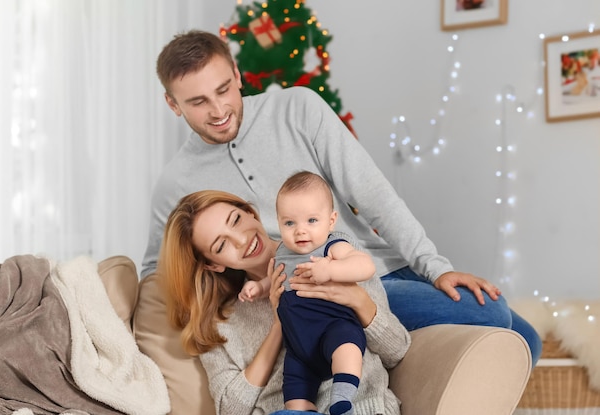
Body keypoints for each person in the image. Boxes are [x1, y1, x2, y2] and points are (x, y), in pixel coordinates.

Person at [142, 29, 542, 365]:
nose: (217, 110)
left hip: (380, 264)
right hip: (324, 290)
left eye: (223, 90)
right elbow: (155, 275)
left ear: (236, 73)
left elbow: (372, 193)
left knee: (527, 339)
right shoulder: (176, 182)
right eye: (197, 102)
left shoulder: (296, 107)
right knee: (493, 314)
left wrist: (435, 268)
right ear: (173, 104)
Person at [158, 190, 411, 415]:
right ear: (213, 264)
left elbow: (396, 349)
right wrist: (279, 324)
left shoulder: (330, 250)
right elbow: (229, 408)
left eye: (236, 220)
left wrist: (357, 298)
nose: (241, 240)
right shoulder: (220, 321)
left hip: (361, 407)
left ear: (250, 213)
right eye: (222, 244)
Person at [239, 171, 375, 414]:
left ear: (331, 221)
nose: (300, 231)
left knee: (347, 348)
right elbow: (276, 280)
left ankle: (342, 398)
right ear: (279, 223)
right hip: (299, 346)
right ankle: (303, 409)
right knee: (294, 386)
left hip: (332, 326)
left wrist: (332, 269)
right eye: (290, 223)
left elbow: (365, 266)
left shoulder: (332, 246)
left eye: (312, 221)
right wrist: (259, 287)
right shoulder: (281, 252)